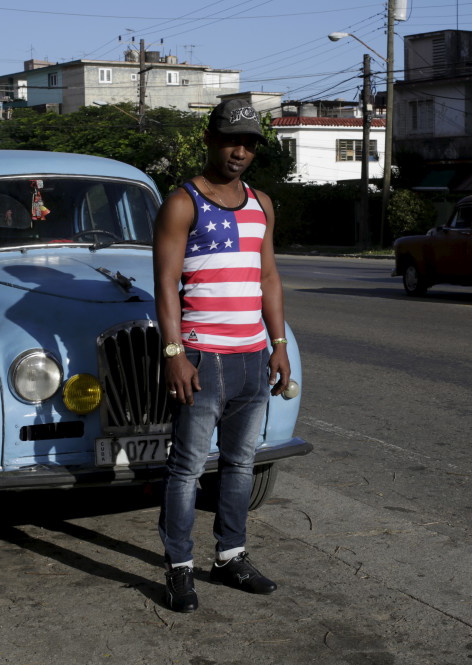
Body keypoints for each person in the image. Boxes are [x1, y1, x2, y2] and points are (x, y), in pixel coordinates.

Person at [153, 98, 290, 613]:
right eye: (232, 139)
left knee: (240, 465)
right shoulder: (183, 202)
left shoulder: (262, 204)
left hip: (253, 356)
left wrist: (278, 346)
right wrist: (174, 353)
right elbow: (165, 282)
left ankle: (231, 556)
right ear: (209, 139)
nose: (240, 151)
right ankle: (179, 569)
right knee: (186, 469)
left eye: (250, 142)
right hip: (202, 357)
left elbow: (268, 278)